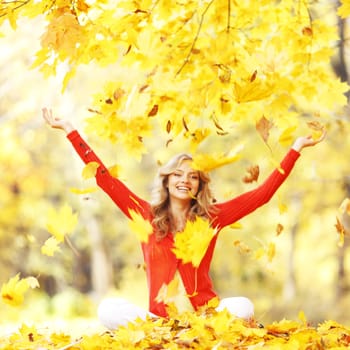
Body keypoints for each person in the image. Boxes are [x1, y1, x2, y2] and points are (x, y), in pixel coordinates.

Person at [42, 107, 326, 329]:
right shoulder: (145, 215)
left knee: (243, 306)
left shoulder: (211, 218)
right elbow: (104, 179)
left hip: (205, 318)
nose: (184, 181)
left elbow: (262, 195)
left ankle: (191, 336)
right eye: (177, 174)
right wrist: (70, 130)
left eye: (193, 177)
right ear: (166, 181)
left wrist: (296, 149)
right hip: (159, 322)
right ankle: (172, 338)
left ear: (199, 186)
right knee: (108, 310)